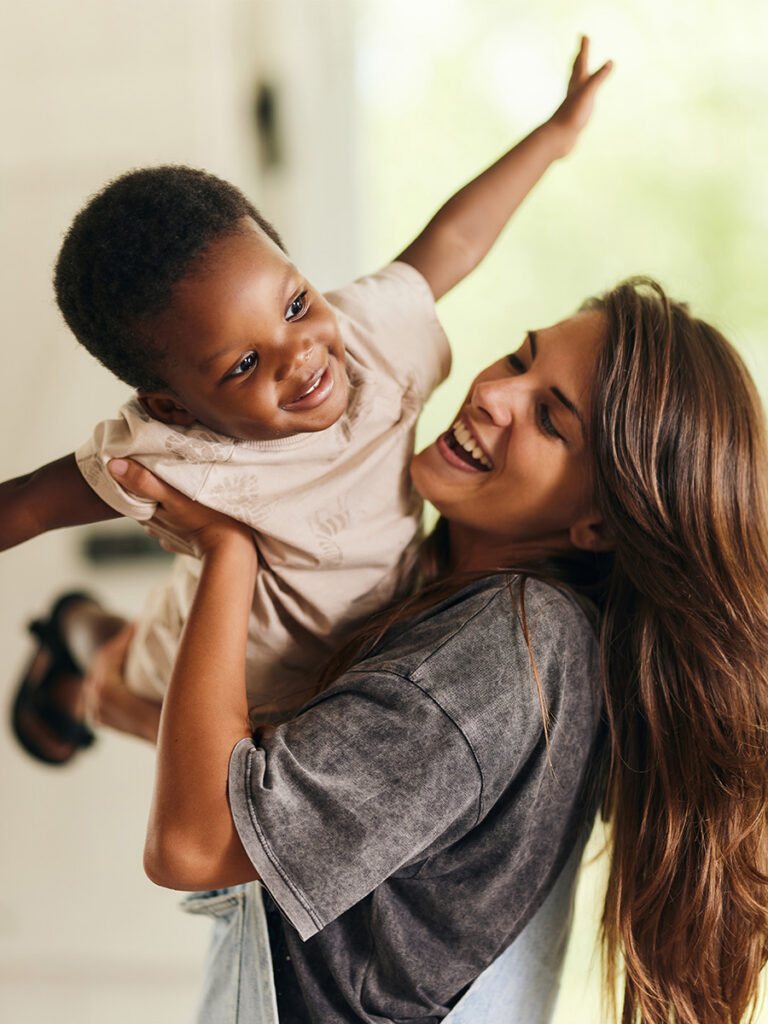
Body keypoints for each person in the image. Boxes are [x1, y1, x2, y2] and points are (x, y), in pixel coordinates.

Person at [90, 274, 768, 1024]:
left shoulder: (512, 650)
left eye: (549, 419)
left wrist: (227, 550)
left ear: (600, 525)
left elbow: (195, 844)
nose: (494, 395)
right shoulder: (473, 612)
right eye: (520, 359)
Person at [2, 37, 612, 763]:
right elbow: (27, 504)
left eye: (295, 305)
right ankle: (73, 628)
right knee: (113, 664)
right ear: (174, 406)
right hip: (185, 672)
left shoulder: (373, 342)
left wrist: (554, 139)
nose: (299, 356)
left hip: (320, 688)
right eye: (246, 364)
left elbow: (454, 240)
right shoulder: (176, 452)